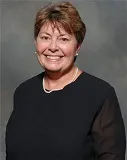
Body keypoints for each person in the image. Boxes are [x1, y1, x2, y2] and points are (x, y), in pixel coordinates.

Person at [5, 1, 126, 160]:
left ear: (77, 47)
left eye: (63, 39)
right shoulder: (24, 92)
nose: (53, 47)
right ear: (36, 43)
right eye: (45, 37)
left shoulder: (100, 95)